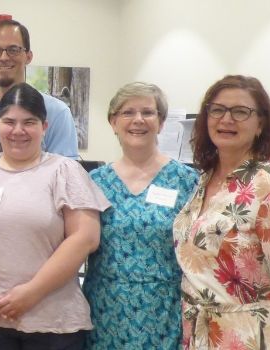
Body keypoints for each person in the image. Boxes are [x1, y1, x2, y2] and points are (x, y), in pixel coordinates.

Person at [0, 83, 109, 350]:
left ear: (44, 127)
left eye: (29, 122)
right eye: (9, 122)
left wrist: (31, 293)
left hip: (52, 322)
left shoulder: (65, 171)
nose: (18, 131)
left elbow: (85, 238)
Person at [174, 75, 270, 349]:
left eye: (240, 112)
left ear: (261, 123)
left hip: (253, 337)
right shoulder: (206, 179)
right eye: (217, 110)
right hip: (202, 336)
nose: (226, 119)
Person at [82, 82, 198, 349]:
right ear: (113, 122)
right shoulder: (94, 182)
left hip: (164, 310)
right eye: (127, 112)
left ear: (161, 122)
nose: (138, 120)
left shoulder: (186, 181)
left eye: (147, 112)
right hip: (105, 309)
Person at [0, 18, 78, 164]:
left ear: (28, 56)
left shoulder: (57, 113)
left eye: (13, 50)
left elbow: (64, 173)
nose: (4, 57)